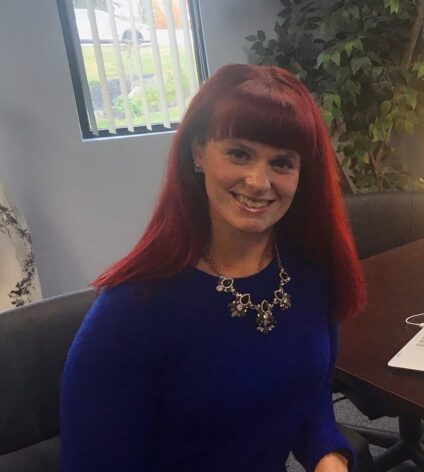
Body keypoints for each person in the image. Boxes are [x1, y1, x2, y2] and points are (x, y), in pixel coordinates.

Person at [60, 64, 366, 472]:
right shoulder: (130, 311)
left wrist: (329, 457)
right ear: (198, 151)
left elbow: (310, 394)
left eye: (282, 163)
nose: (259, 182)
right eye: (239, 153)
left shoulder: (309, 273)